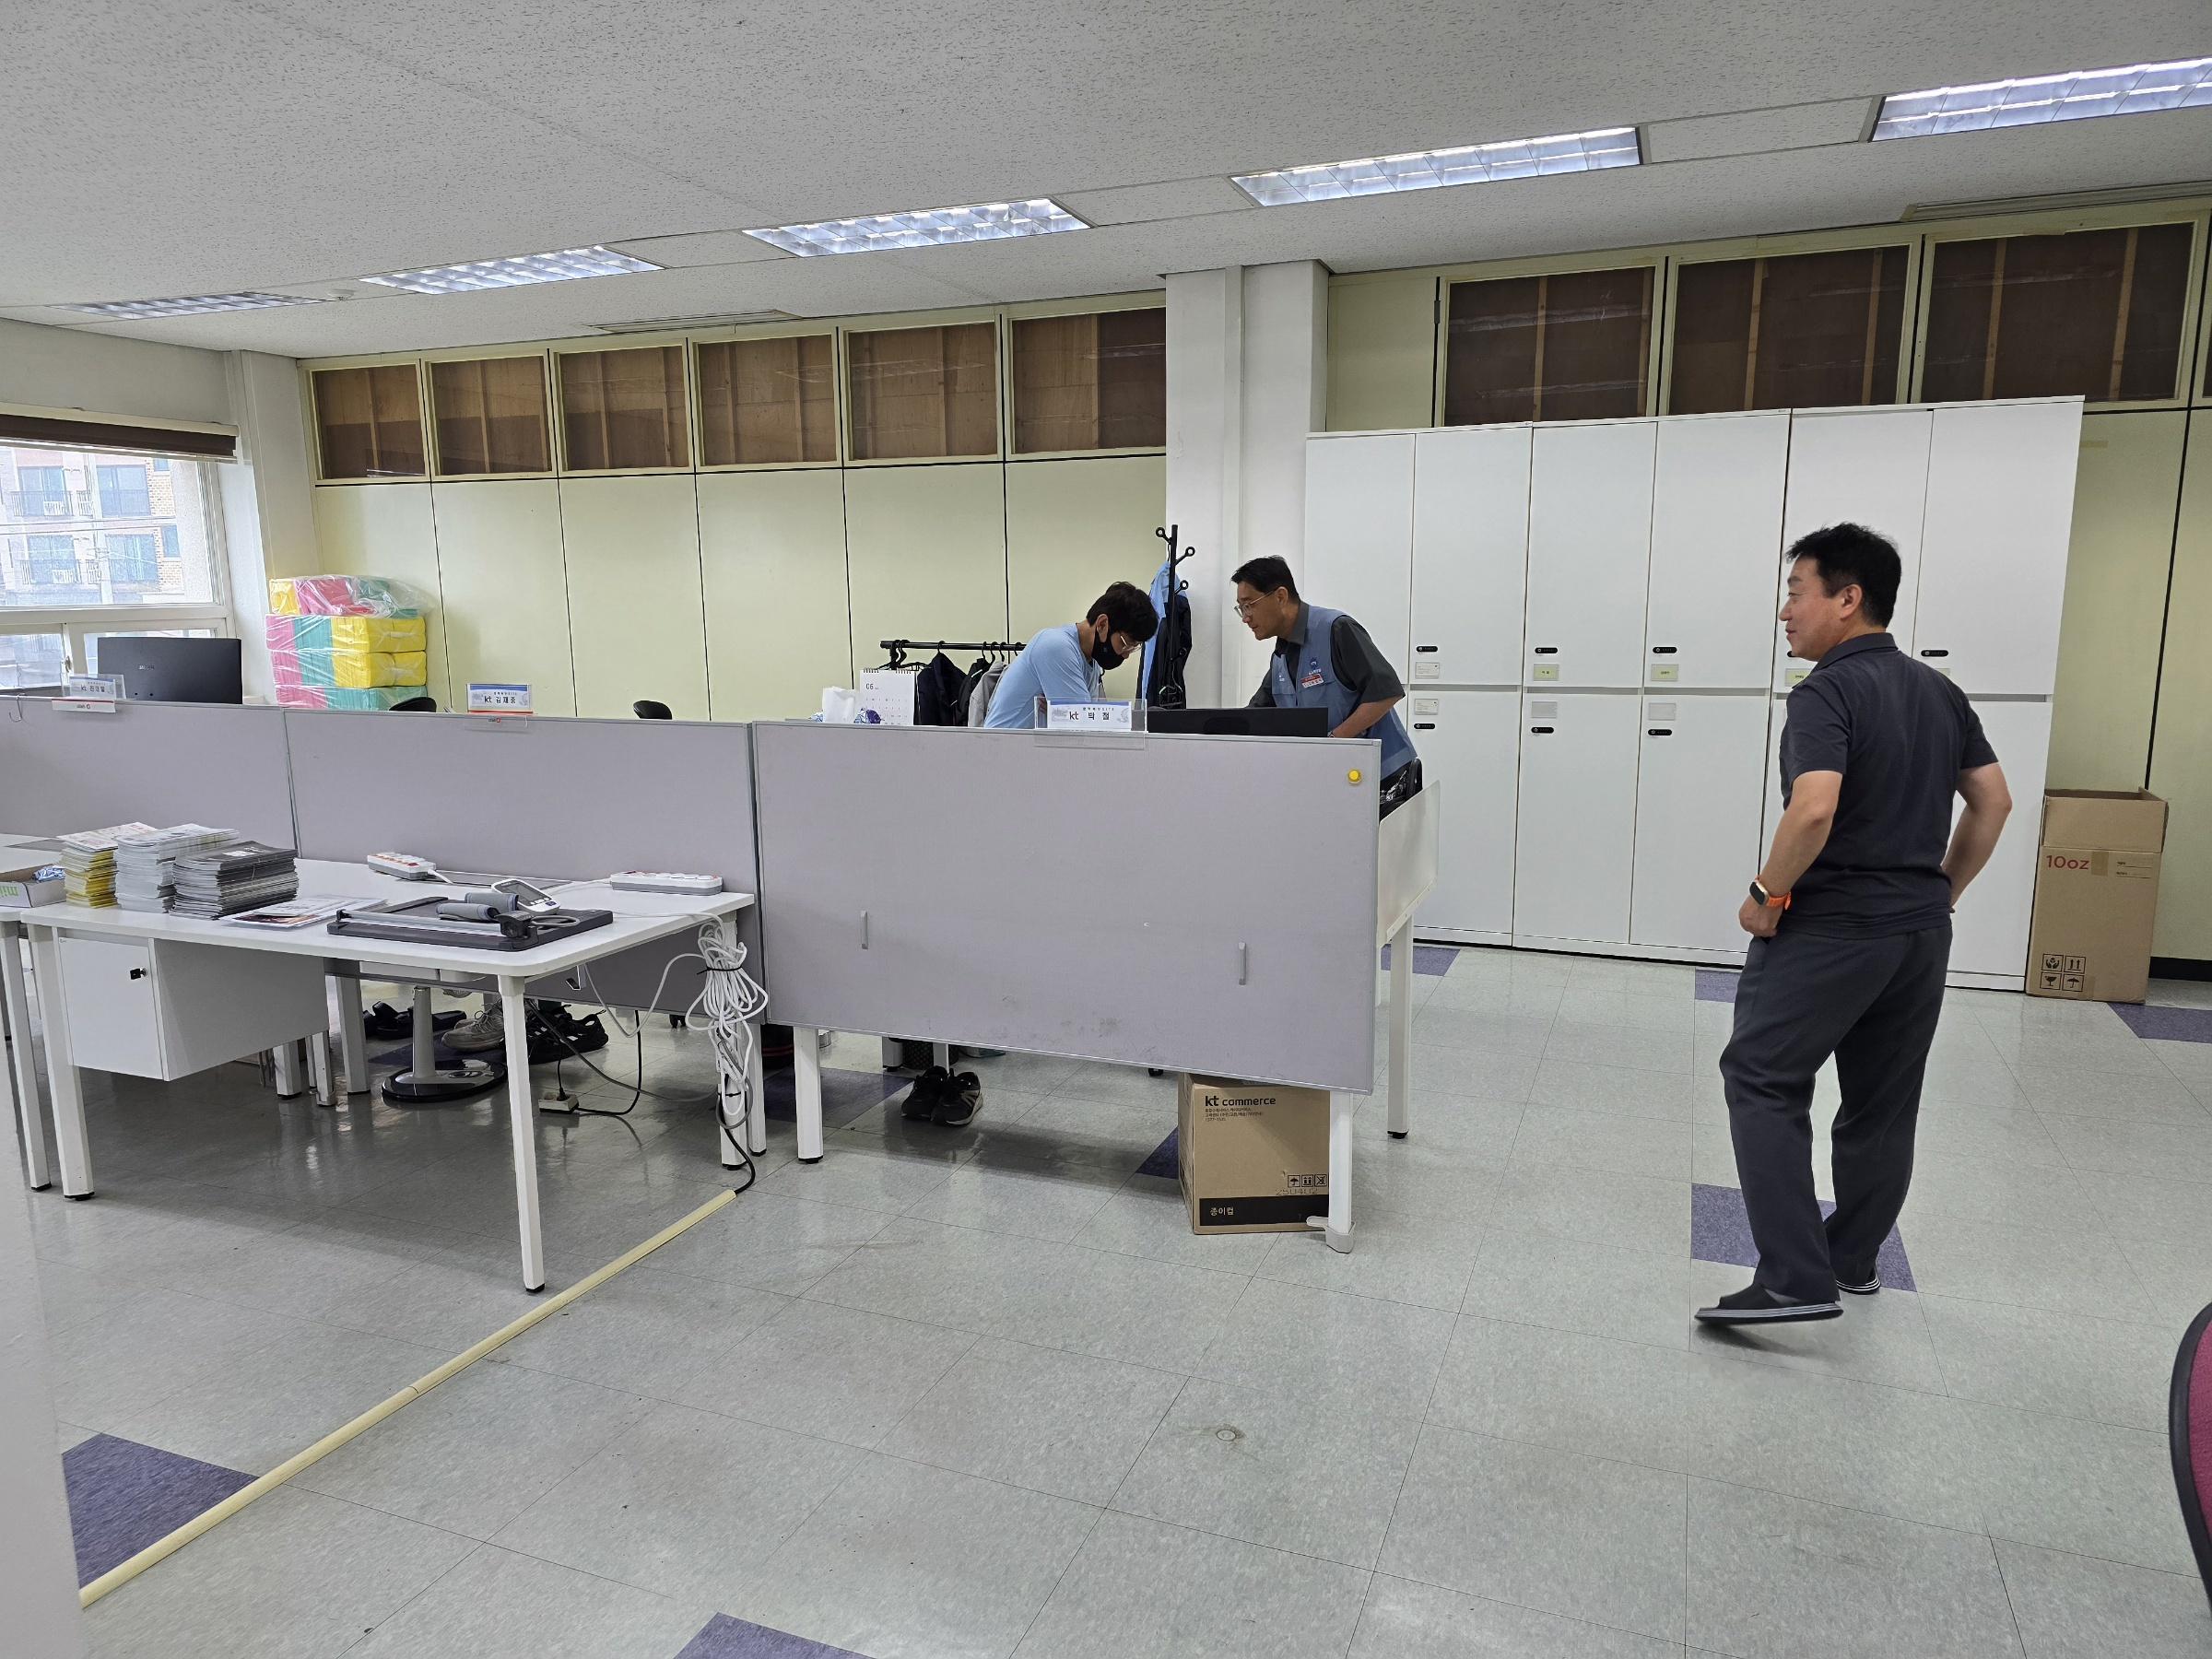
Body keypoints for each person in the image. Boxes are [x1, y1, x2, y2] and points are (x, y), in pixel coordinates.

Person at [1697, 523, 2012, 1325]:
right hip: (1918, 936)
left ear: (1848, 598)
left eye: (1796, 593)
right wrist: (1942, 893)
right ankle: (1851, 1259)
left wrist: (1765, 893)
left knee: (1761, 1079)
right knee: (1881, 1104)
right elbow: (1994, 802)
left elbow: (1815, 807)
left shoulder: (1826, 692)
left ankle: (1793, 1278)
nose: (1785, 612)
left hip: (1833, 928)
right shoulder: (1939, 691)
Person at [1231, 557, 1421, 813]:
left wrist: (1332, 742)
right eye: (1241, 608)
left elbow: (1386, 692)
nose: (1245, 617)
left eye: (1249, 605)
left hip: (1384, 778)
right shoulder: (1280, 657)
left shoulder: (1335, 629)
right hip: (1338, 779)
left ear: (1280, 596)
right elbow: (1255, 715)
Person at [982, 582, 1159, 730]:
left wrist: (1067, 714)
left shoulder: (1091, 663)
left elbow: (1086, 721)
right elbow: (1083, 727)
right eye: (1125, 643)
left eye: (1133, 648)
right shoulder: (1056, 646)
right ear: (1102, 624)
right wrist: (1072, 715)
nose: (1126, 655)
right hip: (1002, 752)